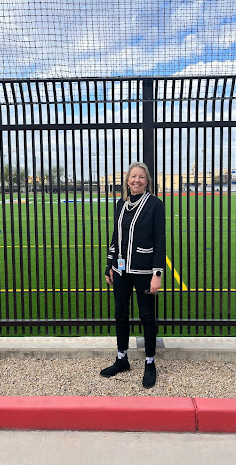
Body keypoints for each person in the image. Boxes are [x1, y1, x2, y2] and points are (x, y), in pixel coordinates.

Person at [101, 162, 165, 388]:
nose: (137, 180)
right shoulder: (121, 203)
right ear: (127, 180)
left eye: (141, 177)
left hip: (144, 270)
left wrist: (157, 273)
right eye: (133, 177)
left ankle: (149, 362)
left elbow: (160, 240)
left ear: (147, 181)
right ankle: (122, 358)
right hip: (120, 270)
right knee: (120, 314)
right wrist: (110, 264)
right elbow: (115, 235)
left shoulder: (155, 205)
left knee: (147, 315)